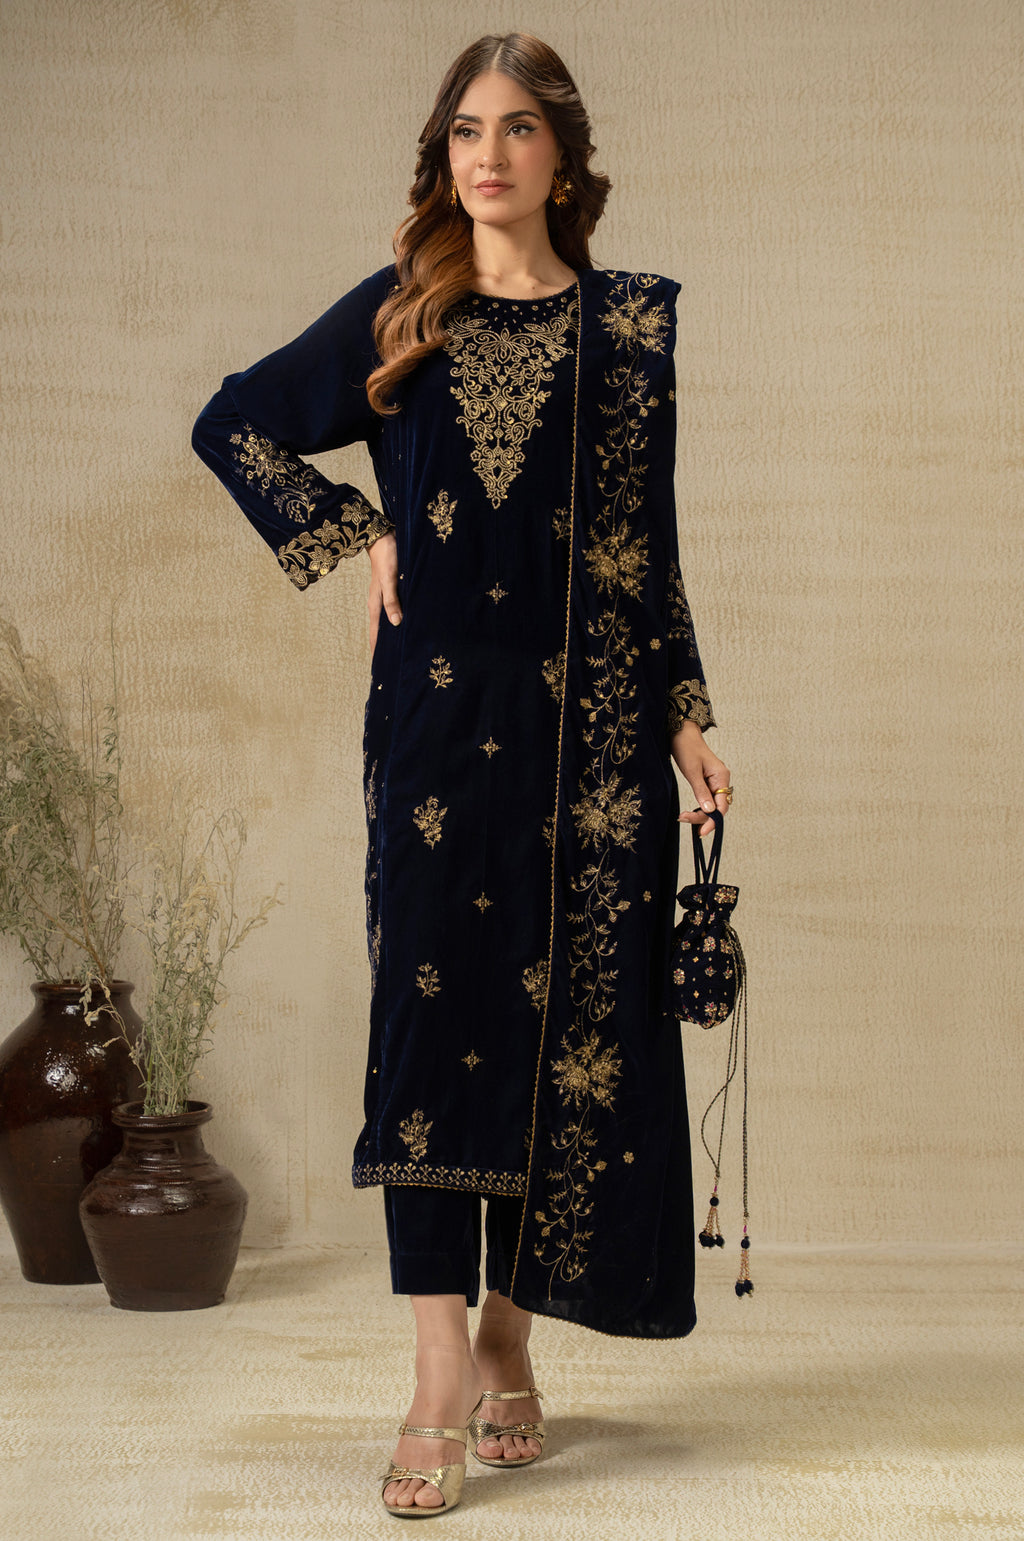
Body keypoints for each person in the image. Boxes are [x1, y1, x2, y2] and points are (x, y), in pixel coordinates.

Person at [193, 31, 731, 1519]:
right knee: (432, 1023)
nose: (488, 156)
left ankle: (509, 1334)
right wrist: (354, 528)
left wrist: (686, 710)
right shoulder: (402, 315)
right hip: (434, 721)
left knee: (577, 1026)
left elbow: (642, 547)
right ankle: (438, 1366)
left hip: (594, 739)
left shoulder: (628, 329)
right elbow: (233, 421)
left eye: (518, 129)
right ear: (444, 156)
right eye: (465, 132)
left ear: (565, 155)